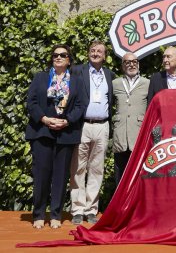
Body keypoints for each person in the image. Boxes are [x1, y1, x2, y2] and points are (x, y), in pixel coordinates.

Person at [25, 44, 86, 229]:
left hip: (66, 134)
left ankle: (56, 214)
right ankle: (38, 214)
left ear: (69, 60)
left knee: (60, 177)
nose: (58, 57)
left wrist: (67, 121)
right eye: (55, 55)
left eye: (63, 55)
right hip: (42, 132)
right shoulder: (41, 77)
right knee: (42, 175)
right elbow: (31, 102)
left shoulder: (76, 81)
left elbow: (81, 106)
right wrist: (44, 119)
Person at [70, 41, 115, 225]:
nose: (95, 53)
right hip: (83, 125)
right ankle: (78, 209)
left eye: (99, 51)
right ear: (88, 53)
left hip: (102, 126)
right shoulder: (77, 71)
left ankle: (91, 209)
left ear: (105, 56)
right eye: (92, 50)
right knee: (78, 168)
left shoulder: (109, 75)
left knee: (97, 169)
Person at [112, 52, 149, 185]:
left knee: (140, 174)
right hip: (120, 134)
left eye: (134, 61)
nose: (131, 64)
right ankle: (119, 204)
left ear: (138, 64)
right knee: (120, 173)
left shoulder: (147, 83)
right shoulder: (115, 84)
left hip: (138, 134)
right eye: (127, 62)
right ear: (123, 66)